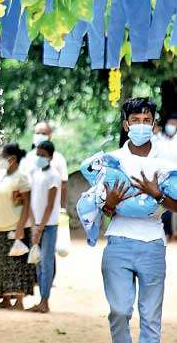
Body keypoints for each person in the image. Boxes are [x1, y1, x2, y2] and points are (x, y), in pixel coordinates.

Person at [99, 98, 177, 343]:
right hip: (118, 243)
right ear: (126, 125)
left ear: (154, 124)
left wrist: (158, 194)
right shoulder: (112, 161)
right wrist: (110, 203)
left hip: (153, 244)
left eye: (146, 121)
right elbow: (104, 211)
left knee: (151, 318)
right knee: (120, 311)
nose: (141, 126)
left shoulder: (166, 162)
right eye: (135, 121)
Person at [0, 143, 35, 310]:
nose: (0, 160)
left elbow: (27, 203)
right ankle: (4, 298)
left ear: (12, 159)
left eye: (2, 157)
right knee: (0, 263)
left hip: (14, 226)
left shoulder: (22, 177)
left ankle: (19, 300)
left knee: (16, 263)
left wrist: (21, 227)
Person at [29, 140, 61, 314]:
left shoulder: (54, 176)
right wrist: (34, 224)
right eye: (38, 154)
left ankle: (45, 300)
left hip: (48, 226)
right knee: (38, 263)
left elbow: (50, 204)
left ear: (50, 156)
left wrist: (40, 227)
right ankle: (41, 298)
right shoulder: (36, 173)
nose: (40, 158)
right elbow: (35, 201)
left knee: (47, 262)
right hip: (38, 225)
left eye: (43, 155)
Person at [20, 122, 69, 213]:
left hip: (52, 211)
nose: (40, 136)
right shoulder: (28, 157)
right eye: (37, 133)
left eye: (43, 133)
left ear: (50, 135)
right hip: (31, 210)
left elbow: (64, 184)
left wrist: (63, 207)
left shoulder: (59, 158)